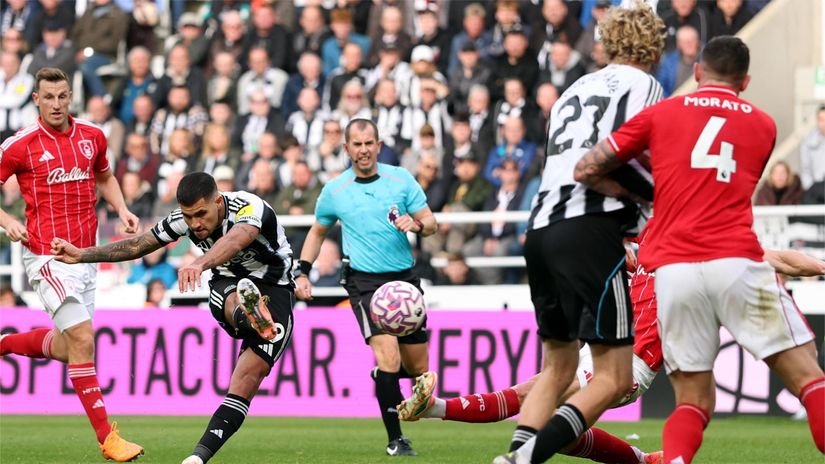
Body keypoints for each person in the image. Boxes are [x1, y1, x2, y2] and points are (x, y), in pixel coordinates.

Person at [574, 36, 825, 462]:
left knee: (692, 401)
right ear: (744, 81)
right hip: (737, 259)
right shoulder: (764, 125)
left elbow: (588, 167)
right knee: (809, 378)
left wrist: (645, 195)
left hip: (676, 272)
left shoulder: (661, 113)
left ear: (696, 72)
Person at [399, 243, 825, 464]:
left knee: (538, 403)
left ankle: (436, 408)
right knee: (542, 415)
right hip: (605, 348)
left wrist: (822, 266)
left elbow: (779, 259)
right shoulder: (644, 238)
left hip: (632, 364)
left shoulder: (702, 248)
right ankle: (645, 460)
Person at [493, 5, 666, 464]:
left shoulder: (574, 88)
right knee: (612, 375)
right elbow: (616, 159)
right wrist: (653, 200)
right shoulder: (643, 84)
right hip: (590, 231)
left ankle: (513, 455)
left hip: (541, 229)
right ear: (651, 46)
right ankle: (524, 461)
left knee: (557, 367)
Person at [50, 171, 296, 464]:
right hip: (226, 281)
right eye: (189, 216)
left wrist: (199, 262)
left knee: (246, 380)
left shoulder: (249, 206)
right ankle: (249, 315)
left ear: (218, 202)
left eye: (201, 214)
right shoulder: (183, 219)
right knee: (228, 295)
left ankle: (197, 458)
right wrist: (82, 255)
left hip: (276, 286)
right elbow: (137, 245)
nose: (195, 224)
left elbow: (238, 237)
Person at [0, 67, 143, 462]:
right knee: (83, 339)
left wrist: (122, 208)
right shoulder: (20, 145)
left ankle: (4, 344)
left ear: (70, 97)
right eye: (49, 97)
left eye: (63, 96)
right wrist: (8, 219)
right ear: (36, 100)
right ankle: (108, 439)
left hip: (86, 256)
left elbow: (105, 176)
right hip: (47, 256)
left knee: (67, 346)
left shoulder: (92, 137)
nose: (57, 104)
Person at [295, 118, 437, 457]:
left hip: (404, 281)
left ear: (378, 144)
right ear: (346, 148)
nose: (363, 150)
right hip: (364, 282)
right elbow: (317, 232)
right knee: (389, 359)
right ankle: (396, 440)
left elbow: (431, 223)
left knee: (419, 371)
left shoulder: (400, 179)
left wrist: (416, 224)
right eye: (356, 144)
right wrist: (302, 272)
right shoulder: (335, 190)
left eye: (369, 143)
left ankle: (384, 380)